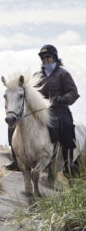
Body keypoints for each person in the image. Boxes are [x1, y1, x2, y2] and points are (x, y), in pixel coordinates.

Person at [36, 44, 80, 174]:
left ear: (54, 58)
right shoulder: (37, 75)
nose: (45, 60)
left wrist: (62, 99)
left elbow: (73, 92)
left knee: (67, 126)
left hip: (59, 109)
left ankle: (69, 162)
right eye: (42, 58)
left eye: (48, 57)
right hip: (41, 110)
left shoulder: (63, 74)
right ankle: (17, 158)